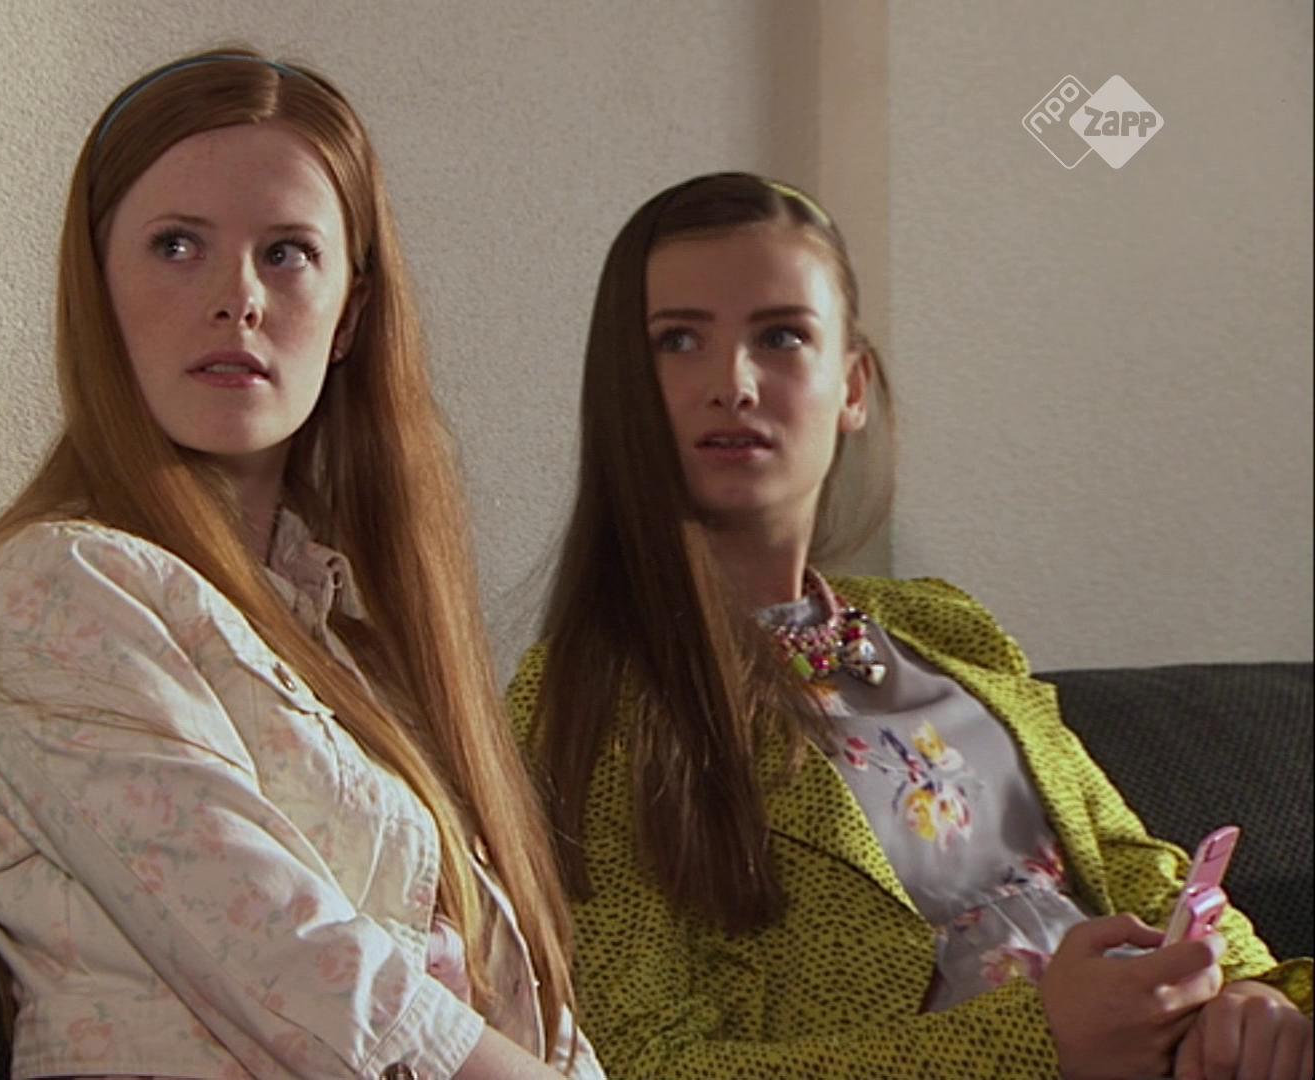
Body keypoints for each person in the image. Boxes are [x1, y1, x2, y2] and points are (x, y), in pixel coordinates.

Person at [506, 171, 1312, 1080]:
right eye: (679, 340)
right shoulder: (586, 699)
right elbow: (638, 1063)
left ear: (852, 386)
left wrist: (1254, 994)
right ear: (624, 387)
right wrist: (1039, 1044)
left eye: (781, 336)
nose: (733, 383)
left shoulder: (948, 627)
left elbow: (1140, 869)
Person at [0, 48, 601, 1080]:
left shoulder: (359, 644)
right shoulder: (58, 586)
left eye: (286, 253)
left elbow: (517, 1002)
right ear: (96, 290)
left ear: (349, 317)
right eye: (177, 245)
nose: (237, 296)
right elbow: (291, 962)